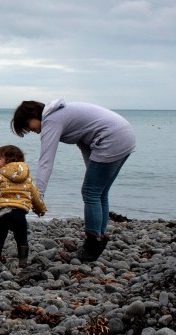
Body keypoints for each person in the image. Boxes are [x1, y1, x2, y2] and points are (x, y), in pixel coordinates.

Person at [10, 99, 135, 262]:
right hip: (124, 134)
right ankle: (99, 239)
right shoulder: (60, 113)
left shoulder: (51, 120)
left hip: (112, 138)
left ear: (34, 114)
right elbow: (84, 142)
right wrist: (91, 170)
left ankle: (91, 247)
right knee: (100, 192)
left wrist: (38, 195)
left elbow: (46, 161)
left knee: (90, 193)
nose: (30, 131)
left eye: (27, 126)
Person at [0, 144, 47, 269]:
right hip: (19, 213)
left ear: (8, 161)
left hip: (2, 213)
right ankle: (23, 261)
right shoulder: (27, 179)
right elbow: (35, 196)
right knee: (22, 237)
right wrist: (40, 209)